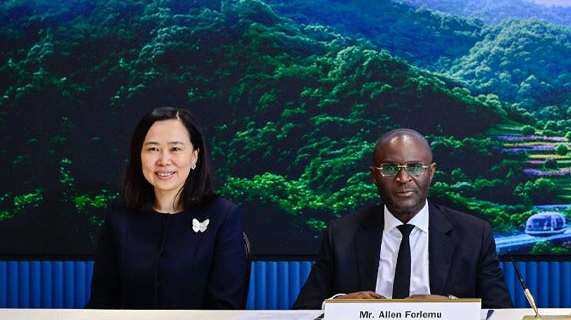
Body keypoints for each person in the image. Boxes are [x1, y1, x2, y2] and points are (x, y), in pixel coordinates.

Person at [292, 128, 512, 309]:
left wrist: (450, 307)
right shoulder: (341, 234)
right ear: (374, 176)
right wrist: (339, 304)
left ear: (431, 172)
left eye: (414, 167)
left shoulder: (473, 234)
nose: (403, 178)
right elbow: (302, 312)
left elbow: (501, 313)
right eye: (390, 169)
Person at [87, 107, 248, 309]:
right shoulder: (119, 215)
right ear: (139, 155)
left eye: (175, 149)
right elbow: (102, 303)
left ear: (194, 156)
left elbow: (225, 308)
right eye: (153, 149)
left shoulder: (224, 216)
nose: (164, 161)